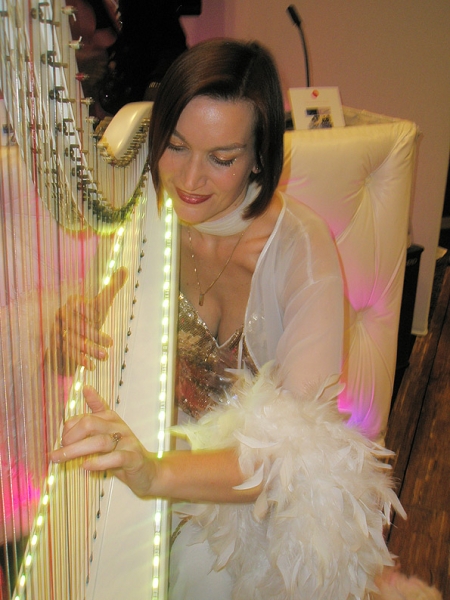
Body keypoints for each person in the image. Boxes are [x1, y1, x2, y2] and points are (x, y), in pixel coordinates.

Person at [50, 39, 406, 599]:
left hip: (255, 502)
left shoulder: (302, 248)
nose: (190, 179)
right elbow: (91, 348)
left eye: (222, 159)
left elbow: (293, 454)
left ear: (260, 157)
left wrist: (156, 473)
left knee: (199, 573)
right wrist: (67, 339)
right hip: (153, 457)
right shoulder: (141, 216)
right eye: (176, 146)